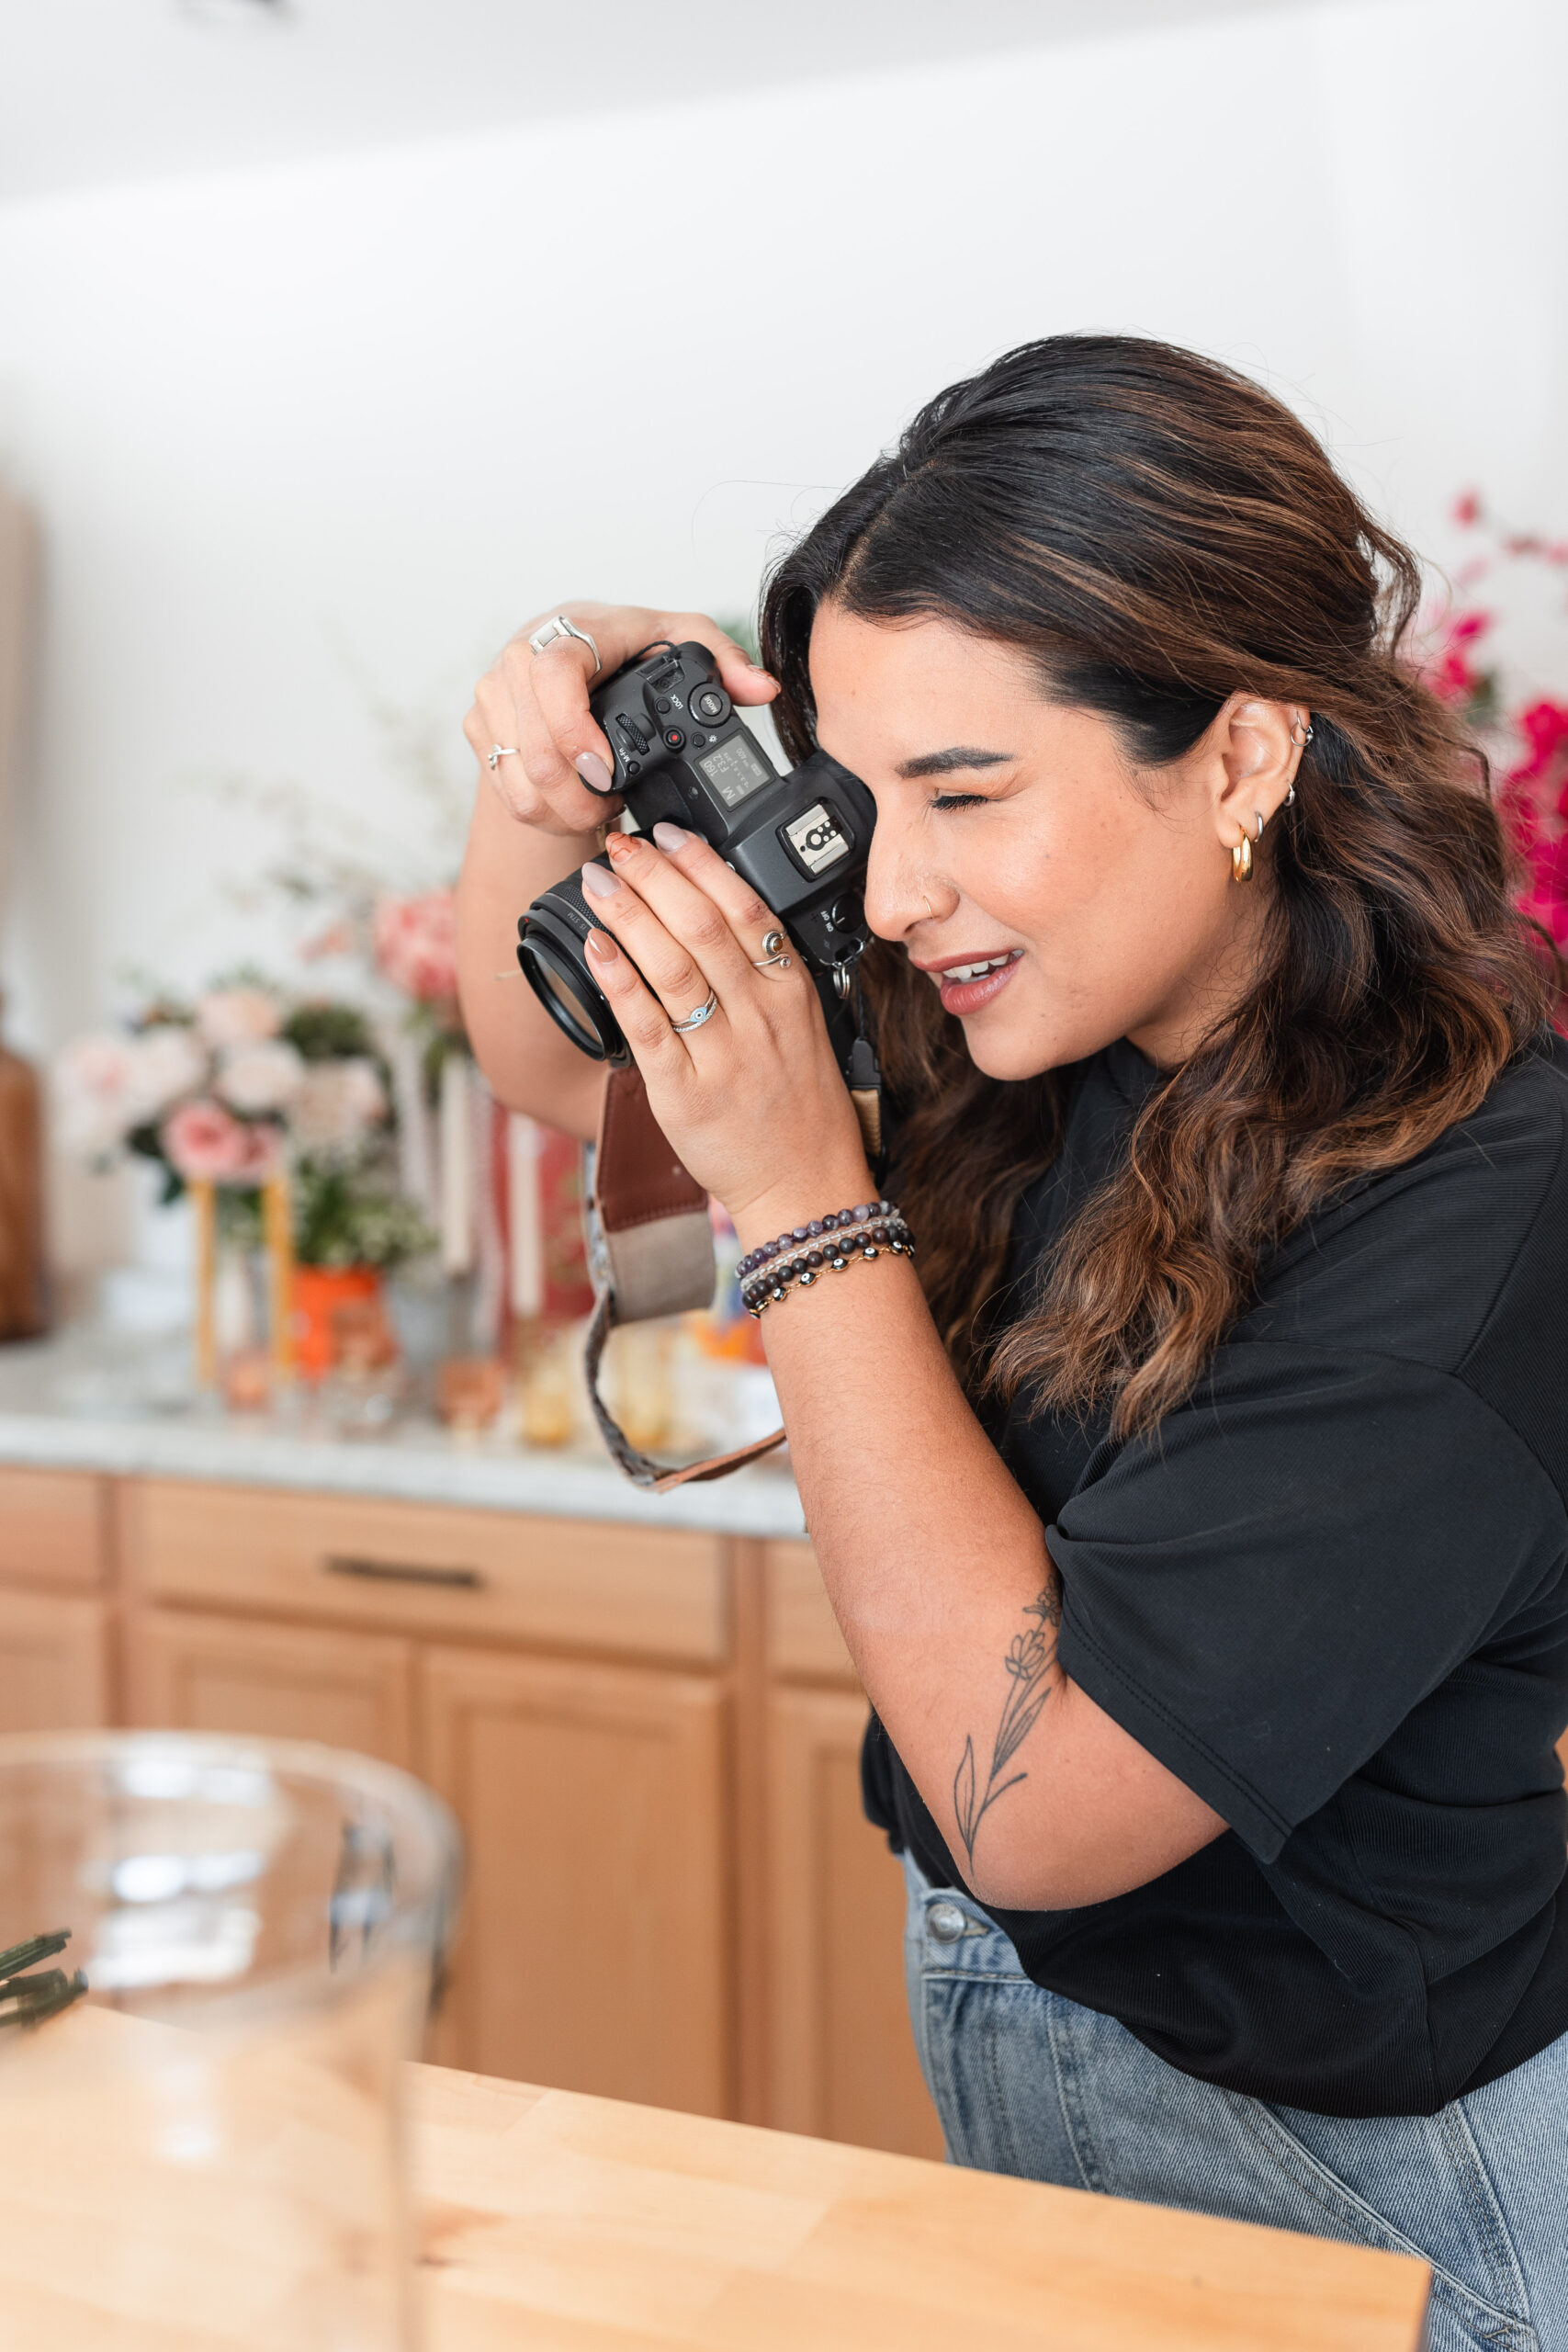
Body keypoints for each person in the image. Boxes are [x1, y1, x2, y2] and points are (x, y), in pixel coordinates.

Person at [456, 336, 1568, 2351]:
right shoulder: (1037, 1010)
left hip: (1375, 2182)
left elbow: (1035, 1800)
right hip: (1034, 2051)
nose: (885, 891)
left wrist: (804, 1201)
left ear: (1236, 757)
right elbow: (553, 1063)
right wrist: (543, 777)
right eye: (856, 799)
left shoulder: (1480, 1215)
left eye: (965, 791)